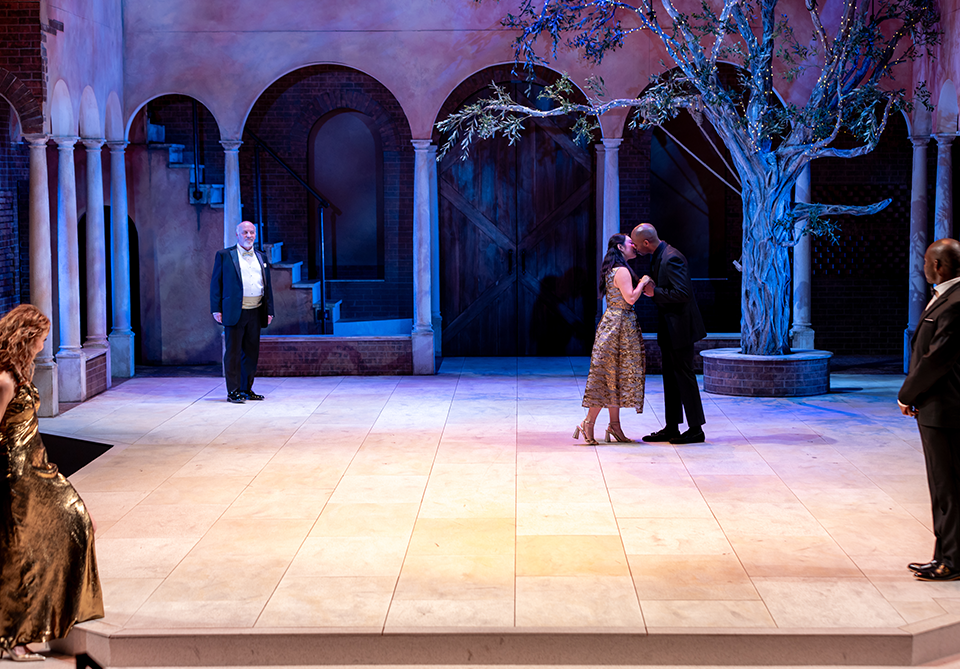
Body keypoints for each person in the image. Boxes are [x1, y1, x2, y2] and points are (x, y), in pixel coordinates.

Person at [0, 304, 104, 661]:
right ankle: (17, 636)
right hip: (19, 474)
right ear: (26, 337)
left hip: (39, 464)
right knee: (23, 549)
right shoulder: (3, 379)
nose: (44, 345)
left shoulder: (18, 370)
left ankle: (50, 617)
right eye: (42, 338)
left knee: (78, 521)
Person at [899, 238, 960, 582]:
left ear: (938, 265)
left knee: (947, 487)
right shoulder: (946, 297)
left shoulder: (956, 302)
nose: (922, 266)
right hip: (937, 404)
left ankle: (951, 560)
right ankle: (944, 554)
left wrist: (908, 394)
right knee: (943, 488)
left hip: (947, 408)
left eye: (926, 260)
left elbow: (936, 358)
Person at [630, 223, 707, 444]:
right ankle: (672, 426)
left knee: (684, 376)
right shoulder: (658, 255)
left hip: (681, 327)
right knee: (670, 379)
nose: (635, 248)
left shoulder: (672, 257)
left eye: (636, 244)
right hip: (669, 326)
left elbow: (683, 293)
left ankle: (696, 429)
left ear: (646, 242)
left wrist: (655, 292)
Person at [575, 233, 649, 445]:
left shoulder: (613, 269)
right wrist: (643, 282)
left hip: (616, 324)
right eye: (630, 243)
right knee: (605, 375)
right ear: (620, 247)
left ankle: (614, 426)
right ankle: (588, 423)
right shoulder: (623, 270)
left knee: (613, 376)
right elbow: (631, 297)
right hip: (618, 326)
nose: (634, 246)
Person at [210, 221, 275, 403]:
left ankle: (247, 389)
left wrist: (269, 310)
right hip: (235, 311)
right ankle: (233, 391)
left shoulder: (261, 257)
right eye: (245, 232)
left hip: (256, 311)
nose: (249, 235)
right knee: (233, 353)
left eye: (252, 232)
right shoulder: (225, 255)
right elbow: (216, 284)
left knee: (251, 352)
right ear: (237, 235)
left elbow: (267, 286)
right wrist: (216, 308)